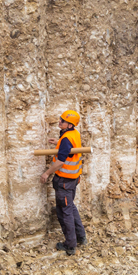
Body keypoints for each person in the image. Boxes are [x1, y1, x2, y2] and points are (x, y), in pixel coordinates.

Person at [39, 109, 86, 255]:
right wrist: (59, 143)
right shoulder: (73, 134)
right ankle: (80, 237)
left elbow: (60, 162)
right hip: (73, 179)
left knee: (64, 212)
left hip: (65, 181)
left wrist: (47, 173)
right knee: (70, 208)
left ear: (70, 125)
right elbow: (69, 147)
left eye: (62, 120)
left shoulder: (66, 138)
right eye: (60, 119)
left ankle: (70, 245)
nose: (59, 121)